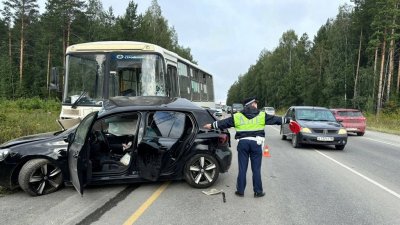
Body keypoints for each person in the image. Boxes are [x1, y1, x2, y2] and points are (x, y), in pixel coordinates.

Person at [203, 97, 288, 198]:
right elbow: (276, 120)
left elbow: (224, 123)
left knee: (242, 168)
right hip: (256, 144)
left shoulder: (238, 116)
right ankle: (258, 192)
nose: (257, 105)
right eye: (255, 103)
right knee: (256, 169)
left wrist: (211, 125)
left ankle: (240, 191)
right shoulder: (261, 115)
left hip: (243, 144)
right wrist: (288, 120)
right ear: (251, 104)